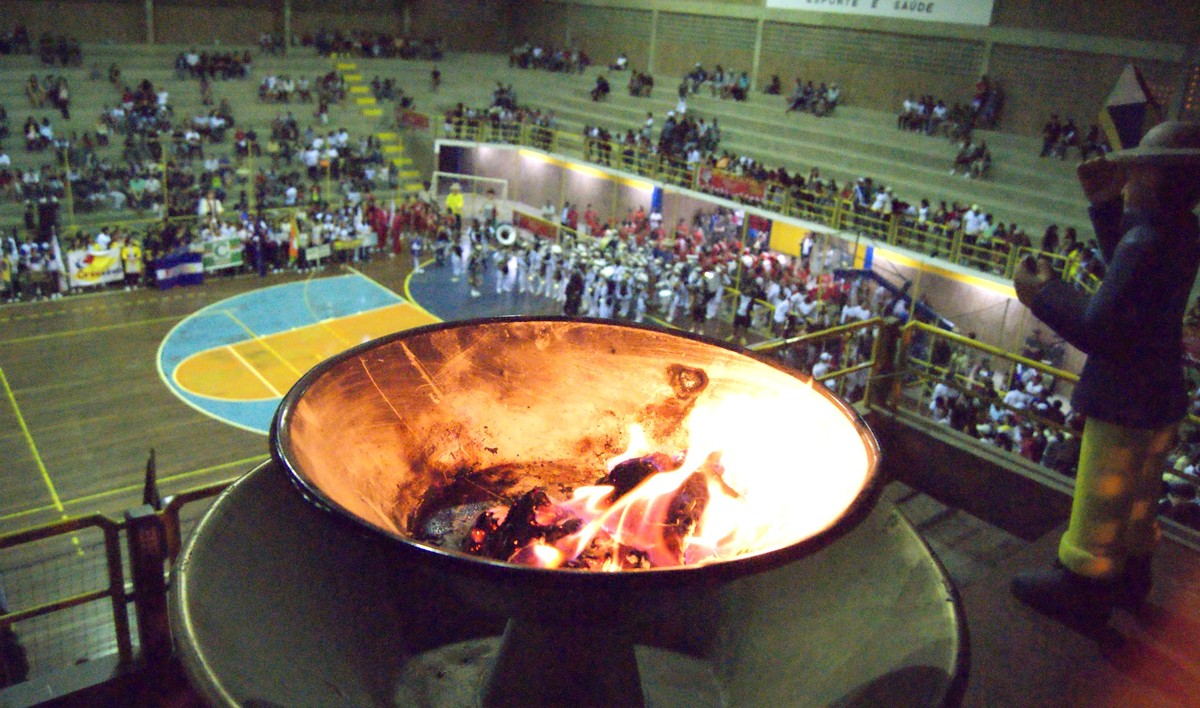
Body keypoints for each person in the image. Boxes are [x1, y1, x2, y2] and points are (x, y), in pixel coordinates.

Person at [1010, 121, 1200, 627]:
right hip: (1161, 391)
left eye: (1134, 170)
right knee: (1141, 495)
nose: (1127, 178)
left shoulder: (1146, 240)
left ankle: (1084, 586)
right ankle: (1134, 577)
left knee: (1104, 490)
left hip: (1122, 394)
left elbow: (1100, 327)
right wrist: (1104, 208)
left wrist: (1042, 293)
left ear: (1155, 178)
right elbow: (1129, 274)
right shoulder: (1183, 231)